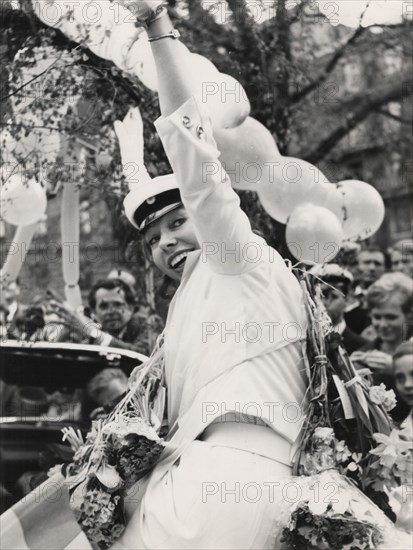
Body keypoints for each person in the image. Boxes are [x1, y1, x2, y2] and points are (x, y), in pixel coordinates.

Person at [112, 3, 309, 548]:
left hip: (228, 479)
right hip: (205, 479)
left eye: (179, 223)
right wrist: (132, 169)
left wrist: (154, 24)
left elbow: (196, 164)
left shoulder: (236, 256)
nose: (166, 242)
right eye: (152, 240)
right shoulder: (195, 295)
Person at [351, 272, 413, 422]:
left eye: (391, 317)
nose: (383, 325)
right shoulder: (363, 352)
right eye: (377, 317)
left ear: (410, 315)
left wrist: (397, 370)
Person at [309, 264, 367, 354]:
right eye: (318, 297)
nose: (323, 303)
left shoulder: (361, 346)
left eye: (333, 296)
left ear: (347, 299)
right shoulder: (305, 341)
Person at [344, 246, 388, 335]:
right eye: (367, 263)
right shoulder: (344, 295)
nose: (372, 268)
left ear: (385, 268)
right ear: (356, 266)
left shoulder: (389, 297)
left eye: (377, 264)